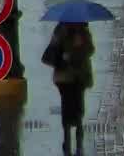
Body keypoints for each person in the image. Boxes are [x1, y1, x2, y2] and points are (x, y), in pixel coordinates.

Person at [42, 21, 95, 153]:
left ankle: (78, 130)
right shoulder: (61, 31)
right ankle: (67, 134)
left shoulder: (83, 31)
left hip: (79, 76)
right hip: (64, 77)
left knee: (78, 104)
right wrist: (65, 54)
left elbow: (90, 49)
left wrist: (81, 46)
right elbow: (53, 50)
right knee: (67, 104)